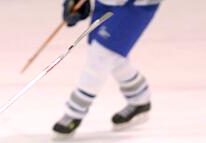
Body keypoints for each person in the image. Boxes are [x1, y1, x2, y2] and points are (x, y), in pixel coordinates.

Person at [53, 0, 162, 134]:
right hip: (106, 3)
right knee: (110, 55)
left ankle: (75, 112)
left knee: (102, 55)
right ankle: (139, 98)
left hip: (135, 5)